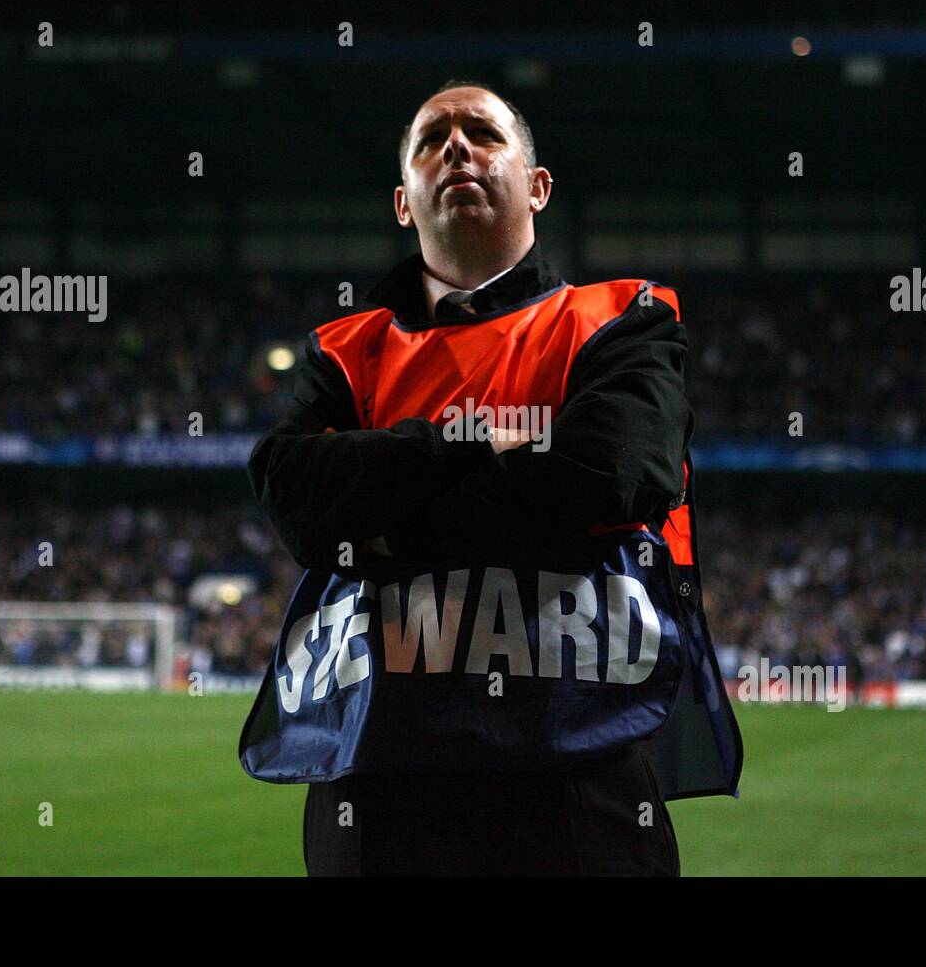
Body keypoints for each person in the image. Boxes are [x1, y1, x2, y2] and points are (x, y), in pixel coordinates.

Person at [241, 79, 742, 875]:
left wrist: (382, 523)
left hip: (581, 765)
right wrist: (470, 441)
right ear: (404, 201)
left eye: (482, 132)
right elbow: (293, 492)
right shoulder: (343, 348)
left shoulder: (622, 317)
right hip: (376, 779)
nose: (457, 148)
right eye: (431, 140)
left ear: (538, 187)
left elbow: (615, 471)